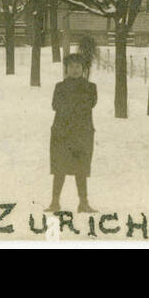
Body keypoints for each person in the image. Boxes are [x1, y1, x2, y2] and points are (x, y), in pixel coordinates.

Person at [48, 53, 98, 212]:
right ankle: (55, 203)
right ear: (66, 69)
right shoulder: (60, 87)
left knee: (81, 169)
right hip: (62, 133)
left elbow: (90, 104)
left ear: (83, 69)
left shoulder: (91, 87)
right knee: (59, 169)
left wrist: (71, 105)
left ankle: (83, 203)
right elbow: (55, 105)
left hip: (82, 133)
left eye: (78, 66)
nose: (74, 70)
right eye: (71, 66)